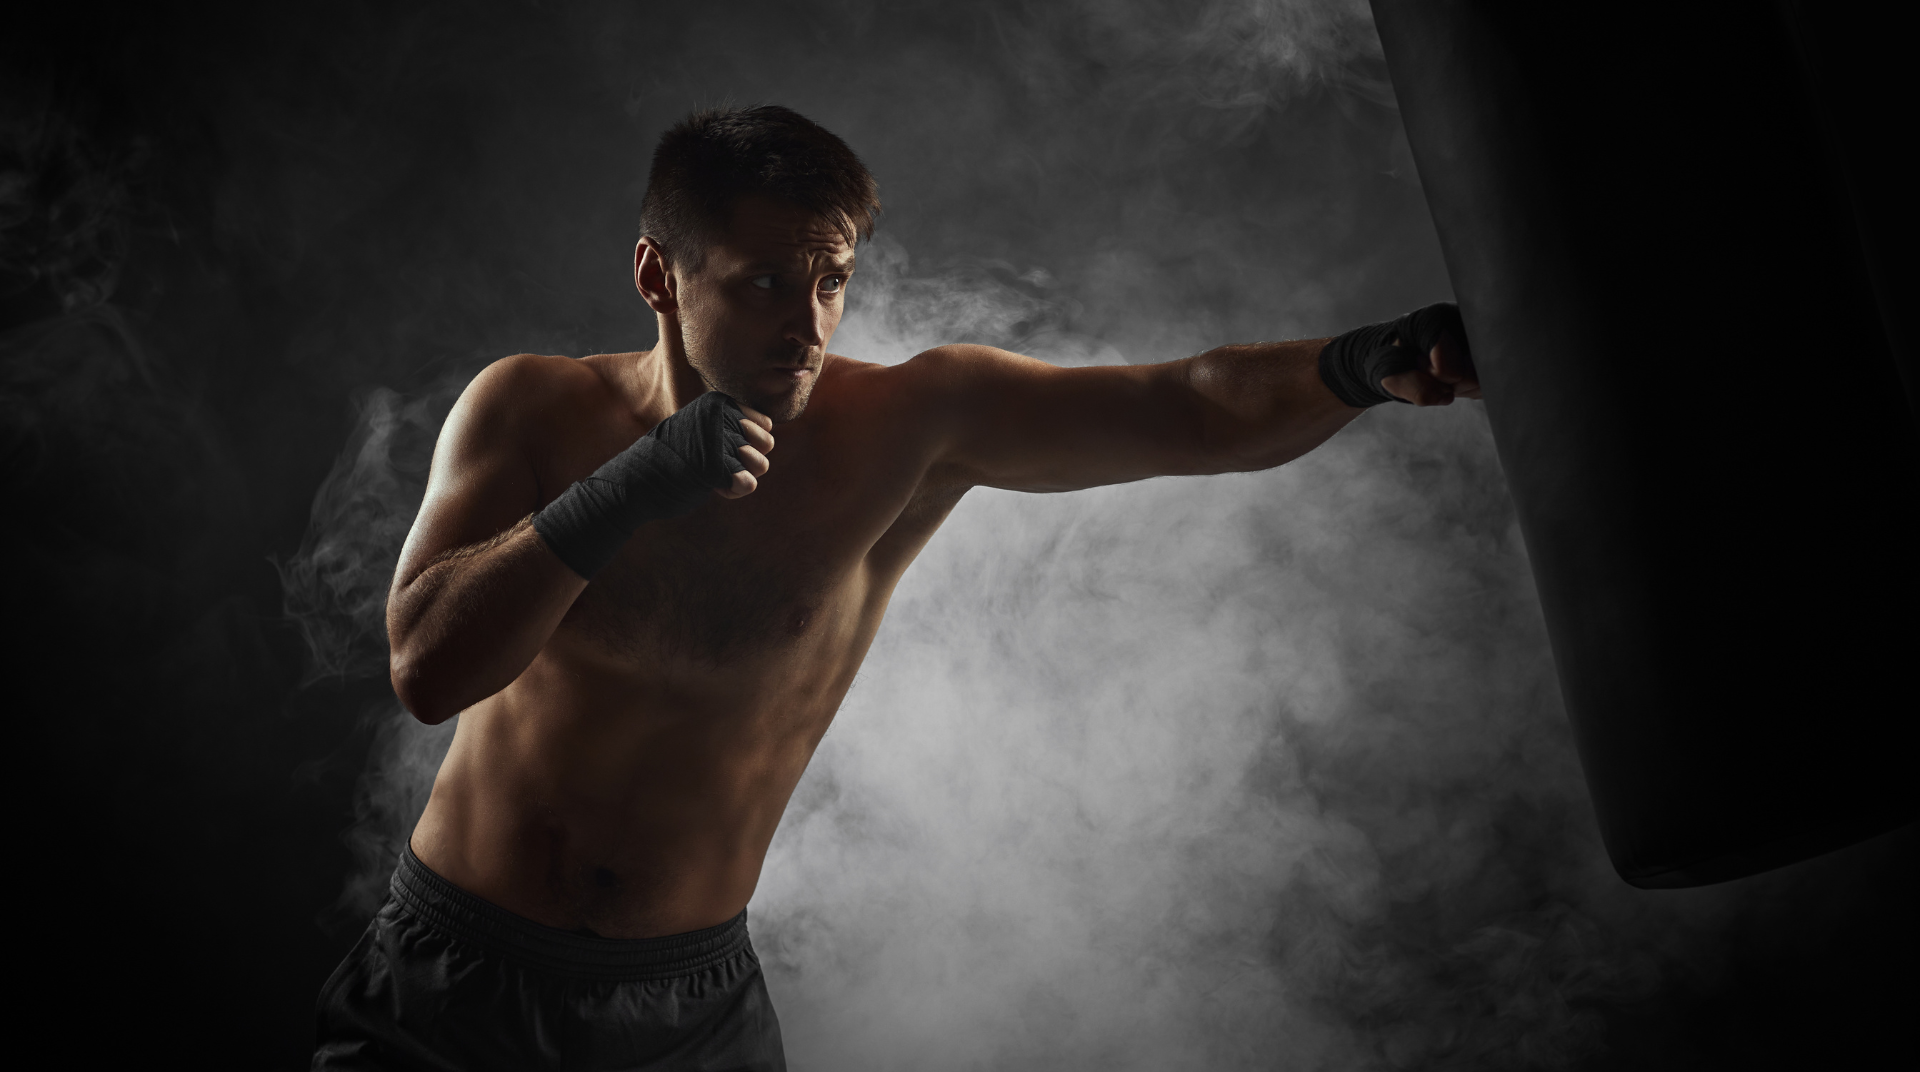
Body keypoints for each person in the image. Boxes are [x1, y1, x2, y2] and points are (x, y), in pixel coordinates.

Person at [312, 104, 1479, 1071]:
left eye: (832, 280)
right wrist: (624, 493)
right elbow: (427, 667)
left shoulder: (909, 426)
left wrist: (1361, 362)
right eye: (768, 281)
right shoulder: (529, 408)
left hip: (685, 1011)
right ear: (657, 274)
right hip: (452, 981)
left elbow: (1189, 407)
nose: (808, 323)